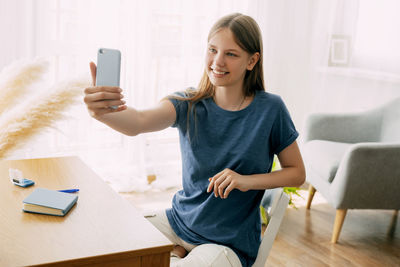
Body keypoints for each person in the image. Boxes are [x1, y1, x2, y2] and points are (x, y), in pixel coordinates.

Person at [84, 13, 305, 267]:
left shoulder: (271, 110)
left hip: (226, 243)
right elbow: (138, 122)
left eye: (231, 54)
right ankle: (177, 252)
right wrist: (101, 112)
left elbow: (297, 173)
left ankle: (176, 255)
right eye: (213, 50)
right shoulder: (188, 102)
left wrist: (245, 181)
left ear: (252, 61)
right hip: (178, 222)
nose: (217, 61)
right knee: (106, 246)